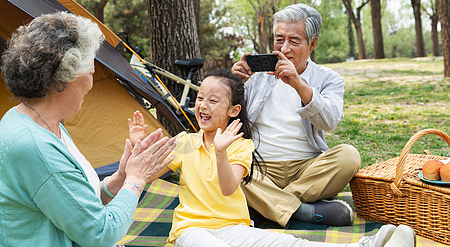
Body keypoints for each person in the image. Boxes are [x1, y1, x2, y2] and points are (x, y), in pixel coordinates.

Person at [130, 69, 416, 247]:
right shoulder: (184, 142)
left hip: (234, 228)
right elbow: (145, 175)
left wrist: (220, 151)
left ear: (233, 111)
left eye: (213, 100)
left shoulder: (239, 147)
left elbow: (229, 187)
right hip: (191, 231)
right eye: (200, 98)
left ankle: (367, 244)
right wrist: (139, 146)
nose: (202, 106)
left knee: (288, 243)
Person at [0, 12, 175, 247]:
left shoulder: (41, 122)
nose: (92, 81)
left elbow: (76, 202)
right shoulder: (34, 145)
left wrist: (120, 178)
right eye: (90, 70)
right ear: (65, 78)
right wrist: (137, 178)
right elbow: (100, 232)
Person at [231, 3, 361, 228]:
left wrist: (299, 85)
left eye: (294, 41)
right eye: (279, 39)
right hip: (259, 167)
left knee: (349, 157)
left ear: (312, 44)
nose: (285, 48)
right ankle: (301, 211)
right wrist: (231, 87)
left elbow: (329, 121)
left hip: (307, 169)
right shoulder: (256, 76)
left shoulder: (329, 79)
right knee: (222, 162)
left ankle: (266, 207)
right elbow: (223, 120)